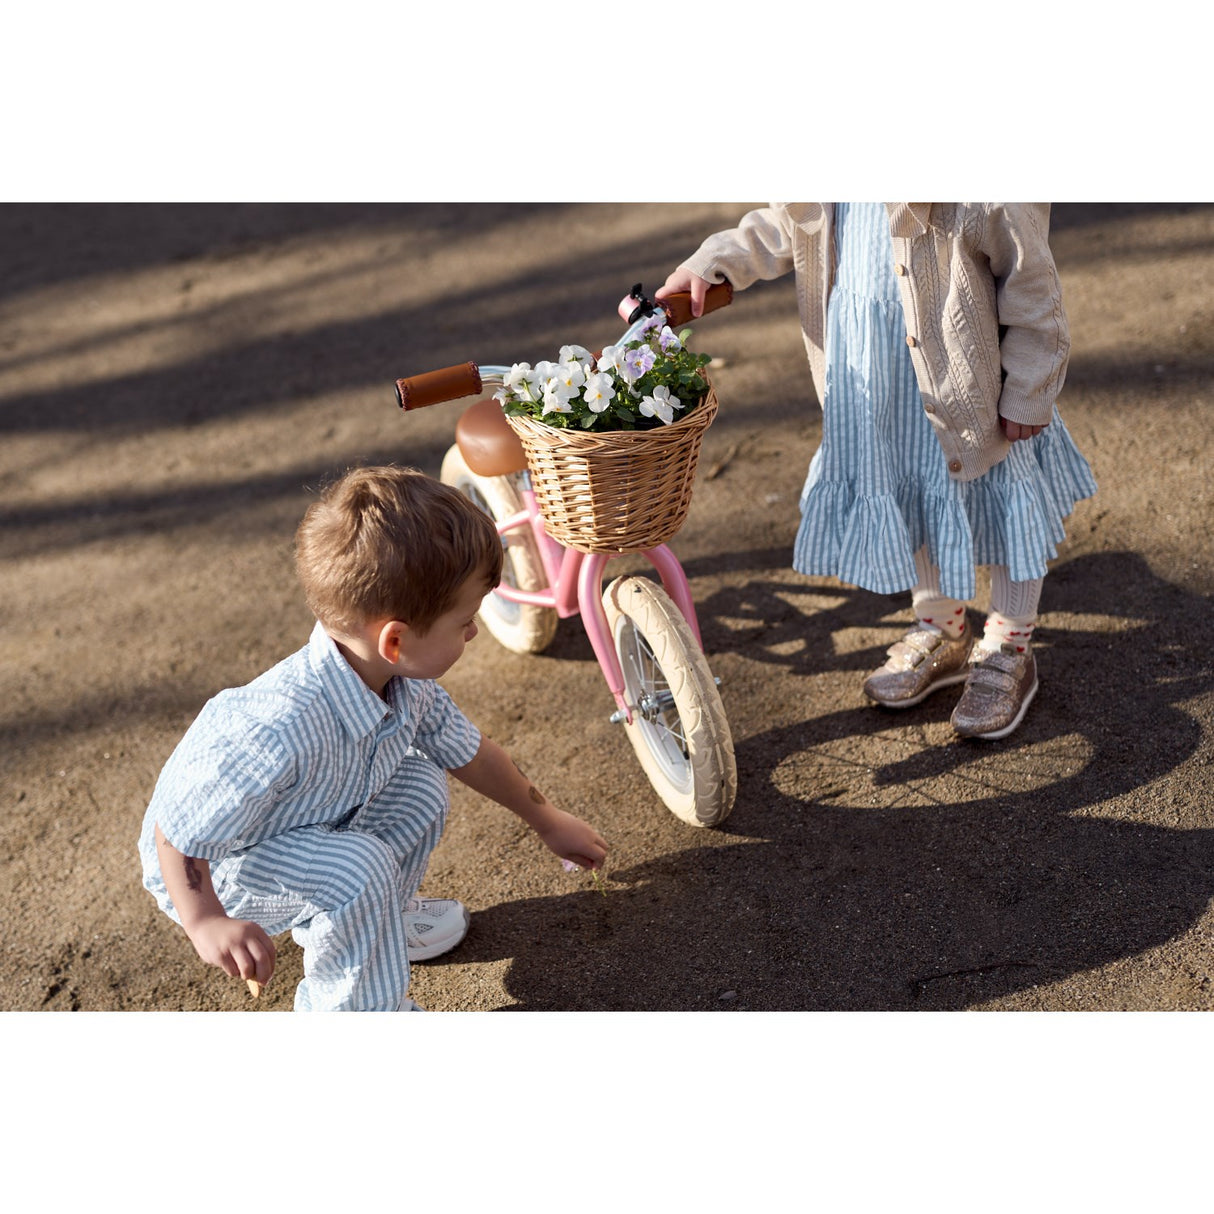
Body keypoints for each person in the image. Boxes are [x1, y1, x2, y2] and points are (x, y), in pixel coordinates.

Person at [138, 464, 608, 1011]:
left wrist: (546, 820)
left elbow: (472, 755)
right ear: (395, 639)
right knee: (358, 869)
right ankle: (355, 1010)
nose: (475, 631)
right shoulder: (277, 727)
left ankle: (377, 925)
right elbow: (178, 835)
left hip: (305, 818)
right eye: (464, 622)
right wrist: (208, 922)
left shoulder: (403, 682)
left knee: (420, 785)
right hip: (220, 867)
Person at [658, 203, 1096, 740]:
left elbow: (1030, 281)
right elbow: (786, 222)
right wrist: (712, 262)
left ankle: (1009, 644)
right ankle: (942, 627)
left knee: (1003, 499)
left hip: (970, 385)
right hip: (875, 374)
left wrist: (1028, 390)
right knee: (906, 489)